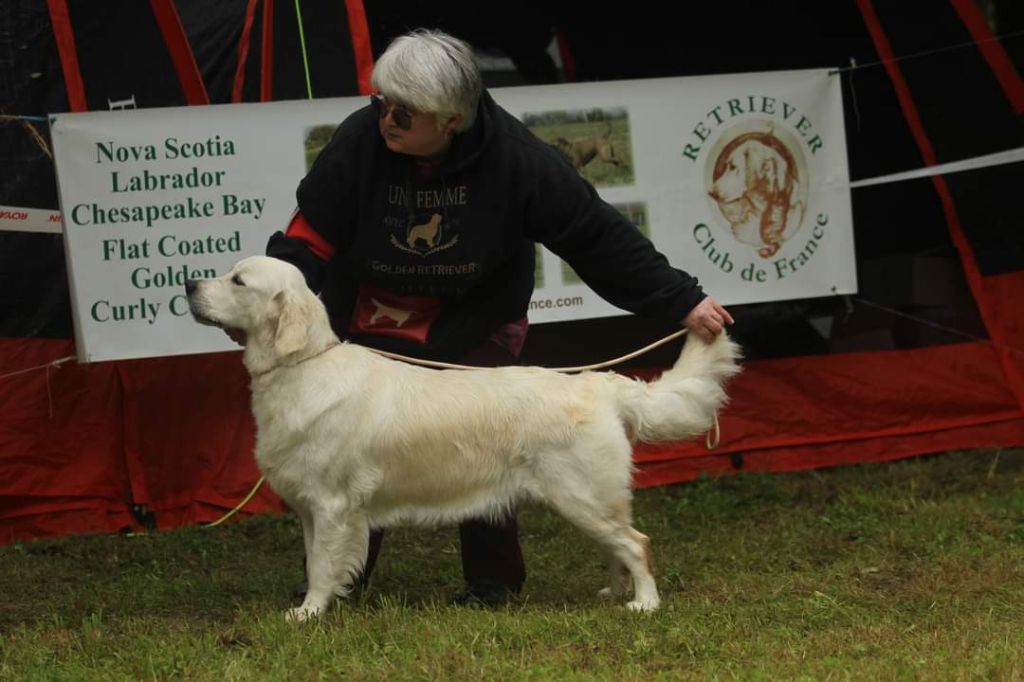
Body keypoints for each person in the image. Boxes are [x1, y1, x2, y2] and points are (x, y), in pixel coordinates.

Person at [261, 29, 733, 607]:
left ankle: (493, 583)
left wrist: (680, 298)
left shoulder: (518, 160)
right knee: (359, 441)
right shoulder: (360, 140)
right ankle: (338, 581)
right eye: (381, 103)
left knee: (487, 435)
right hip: (372, 310)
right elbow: (310, 233)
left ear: (450, 120)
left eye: (404, 113)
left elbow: (594, 235)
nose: (387, 119)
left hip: (474, 319)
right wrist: (272, 295)